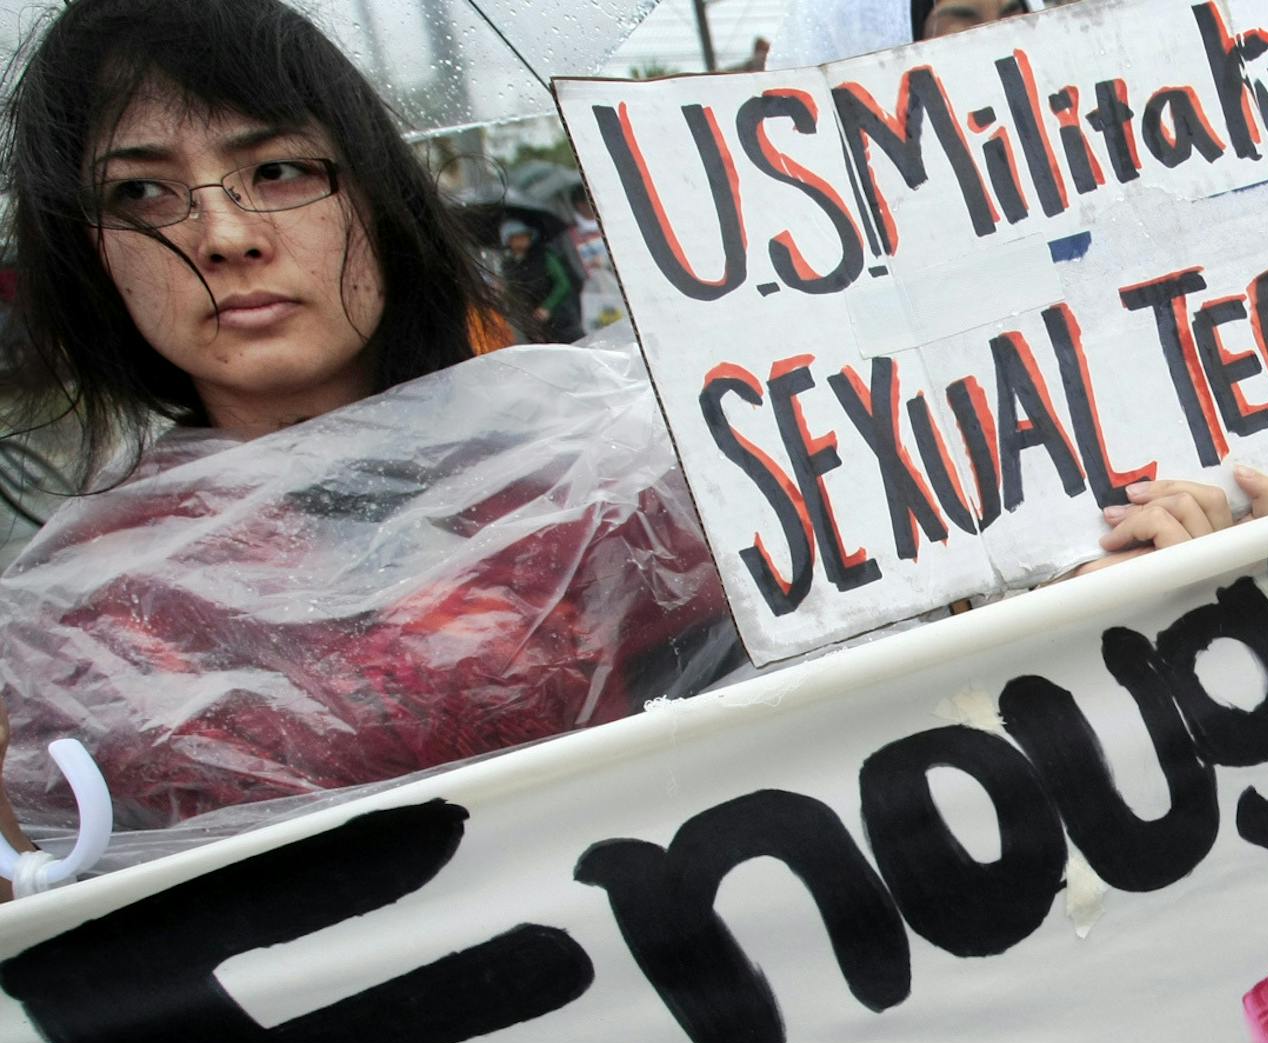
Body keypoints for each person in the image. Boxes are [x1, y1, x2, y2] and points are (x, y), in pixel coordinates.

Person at [0, 0, 734, 858]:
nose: (226, 236)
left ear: (378, 197)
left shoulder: (611, 477)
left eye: (278, 171)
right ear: (85, 252)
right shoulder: (74, 624)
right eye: (140, 193)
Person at [500, 217, 584, 344]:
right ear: (509, 241)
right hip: (532, 323)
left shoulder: (544, 256)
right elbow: (513, 293)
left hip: (560, 317)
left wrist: (547, 307)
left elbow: (563, 284)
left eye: (525, 236)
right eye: (517, 237)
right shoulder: (508, 266)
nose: (523, 239)